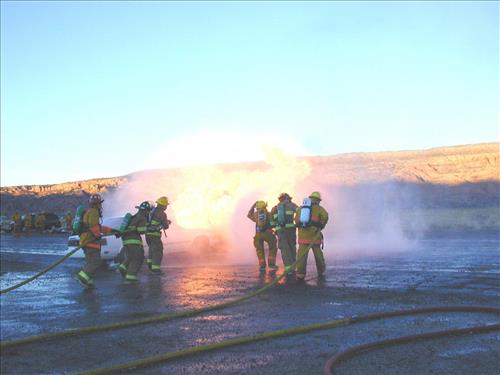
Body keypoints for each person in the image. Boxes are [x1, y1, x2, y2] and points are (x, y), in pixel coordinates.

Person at [75, 194, 117, 289]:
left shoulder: (89, 212)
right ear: (97, 204)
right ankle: (82, 276)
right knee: (96, 261)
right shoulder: (94, 212)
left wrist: (112, 231)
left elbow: (98, 227)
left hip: (85, 240)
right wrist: (98, 236)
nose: (101, 206)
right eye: (100, 204)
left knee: (90, 262)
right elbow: (94, 227)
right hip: (91, 241)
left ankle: (88, 281)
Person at [294, 191, 329, 281]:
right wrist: (321, 226)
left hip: (303, 237)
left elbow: (296, 220)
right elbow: (325, 217)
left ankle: (300, 274)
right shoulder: (320, 209)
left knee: (301, 257)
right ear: (318, 200)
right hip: (314, 237)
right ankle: (321, 271)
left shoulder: (301, 209)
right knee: (318, 255)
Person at [117, 201, 151, 282]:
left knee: (130, 257)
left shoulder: (134, 217)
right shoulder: (142, 217)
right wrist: (147, 227)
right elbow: (141, 230)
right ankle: (131, 277)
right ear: (146, 211)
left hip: (126, 241)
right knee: (137, 259)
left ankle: (123, 267)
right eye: (148, 211)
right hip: (134, 241)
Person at [270, 193, 298, 275]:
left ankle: (288, 269)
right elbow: (300, 213)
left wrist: (276, 228)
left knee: (285, 250)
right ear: (288, 198)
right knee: (292, 248)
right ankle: (293, 267)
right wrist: (297, 223)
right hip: (291, 231)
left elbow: (272, 223)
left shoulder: (275, 208)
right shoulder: (292, 205)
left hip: (281, 232)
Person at [247, 200, 278, 271]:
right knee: (273, 247)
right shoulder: (269, 214)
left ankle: (262, 266)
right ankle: (271, 264)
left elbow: (249, 215)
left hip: (258, 234)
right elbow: (273, 224)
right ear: (265, 206)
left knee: (259, 249)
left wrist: (253, 206)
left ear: (257, 207)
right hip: (268, 233)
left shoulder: (255, 214)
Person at [146, 196, 171, 274]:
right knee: (158, 251)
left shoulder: (152, 211)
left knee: (151, 249)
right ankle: (156, 269)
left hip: (148, 234)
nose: (166, 207)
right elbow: (165, 226)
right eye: (166, 205)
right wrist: (168, 222)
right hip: (154, 235)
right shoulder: (162, 213)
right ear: (163, 205)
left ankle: (150, 266)